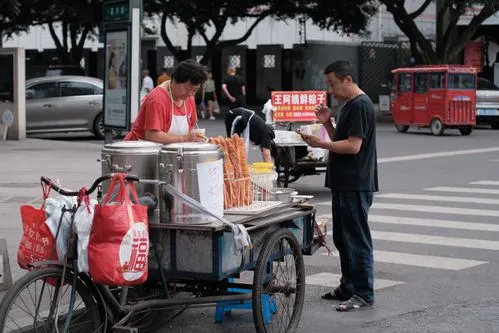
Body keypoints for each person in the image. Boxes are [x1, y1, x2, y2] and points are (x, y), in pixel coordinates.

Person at [299, 60, 378, 312]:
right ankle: (348, 286)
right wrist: (327, 123)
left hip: (356, 182)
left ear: (348, 80)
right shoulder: (349, 106)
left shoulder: (361, 105)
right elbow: (341, 139)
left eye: (333, 84)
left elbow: (354, 146)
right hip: (344, 181)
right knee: (344, 238)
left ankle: (364, 293)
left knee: (356, 239)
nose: (331, 90)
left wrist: (320, 144)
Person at [124, 59, 207, 143]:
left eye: (195, 90)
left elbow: (190, 129)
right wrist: (184, 139)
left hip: (166, 150)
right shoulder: (157, 99)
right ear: (174, 81)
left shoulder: (189, 99)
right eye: (187, 88)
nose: (190, 94)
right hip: (138, 149)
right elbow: (152, 136)